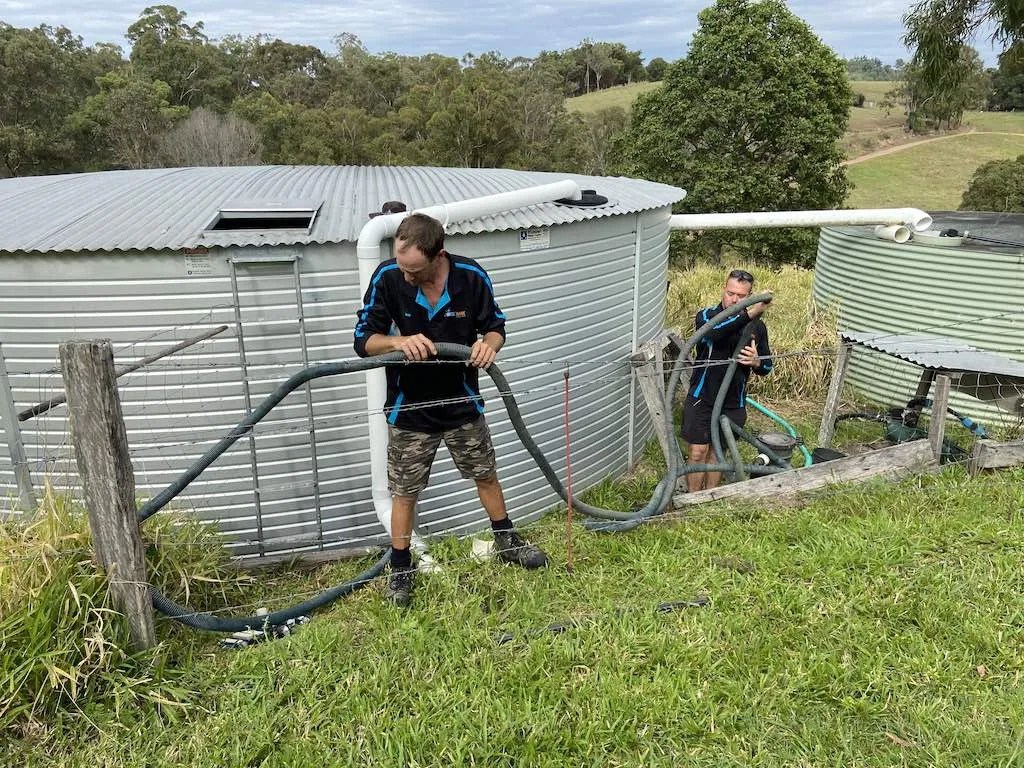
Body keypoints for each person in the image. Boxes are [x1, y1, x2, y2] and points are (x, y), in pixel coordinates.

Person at [353, 213, 549, 607]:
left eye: (415, 270)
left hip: (462, 402)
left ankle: (506, 540)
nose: (406, 276)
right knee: (404, 493)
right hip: (410, 410)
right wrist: (398, 342)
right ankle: (401, 569)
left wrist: (489, 345)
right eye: (402, 267)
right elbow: (363, 340)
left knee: (486, 475)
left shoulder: (471, 277)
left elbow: (495, 326)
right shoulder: (387, 277)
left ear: (438, 254)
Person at [680, 269, 773, 492]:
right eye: (731, 293)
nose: (735, 299)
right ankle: (693, 498)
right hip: (702, 396)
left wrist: (756, 362)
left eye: (742, 296)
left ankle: (711, 496)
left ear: (750, 296)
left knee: (717, 452)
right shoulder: (706, 315)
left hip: (732, 401)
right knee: (697, 452)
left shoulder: (757, 327)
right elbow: (713, 333)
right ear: (724, 289)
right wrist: (750, 313)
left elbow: (767, 367)